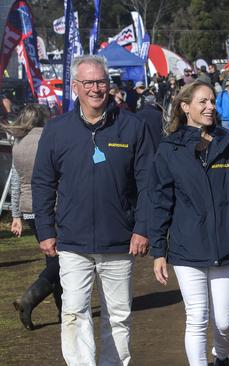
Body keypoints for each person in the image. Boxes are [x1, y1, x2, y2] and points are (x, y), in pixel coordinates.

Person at [32, 55, 154, 365]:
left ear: (109, 85)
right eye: (88, 82)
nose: (95, 88)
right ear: (75, 87)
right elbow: (43, 183)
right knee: (74, 312)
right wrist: (46, 230)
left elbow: (149, 184)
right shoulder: (56, 130)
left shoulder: (133, 127)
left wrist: (142, 228)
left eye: (101, 81)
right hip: (72, 243)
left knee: (119, 316)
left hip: (120, 240)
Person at [148, 81, 229, 366]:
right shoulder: (169, 148)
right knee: (196, 318)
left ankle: (221, 356)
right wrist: (159, 250)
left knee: (224, 322)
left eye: (212, 102)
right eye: (202, 102)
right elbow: (160, 202)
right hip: (186, 248)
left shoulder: (228, 143)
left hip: (227, 246)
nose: (210, 107)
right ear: (185, 107)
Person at [3, 105, 61, 331]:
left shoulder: (18, 143)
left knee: (53, 260)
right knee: (61, 261)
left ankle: (63, 310)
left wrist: (16, 214)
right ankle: (30, 299)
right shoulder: (48, 138)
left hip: (29, 209)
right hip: (52, 206)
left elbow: (16, 181)